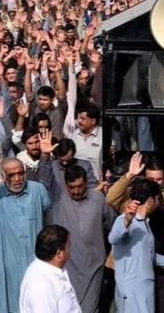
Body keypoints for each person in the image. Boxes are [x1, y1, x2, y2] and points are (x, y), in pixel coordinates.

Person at [39, 134, 115, 313]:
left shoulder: (98, 199)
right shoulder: (58, 197)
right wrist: (44, 156)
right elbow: (45, 178)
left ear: (86, 183)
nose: (76, 191)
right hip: (66, 266)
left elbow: (112, 227)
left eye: (80, 186)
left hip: (93, 265)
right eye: (71, 187)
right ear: (66, 186)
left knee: (89, 309)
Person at [0, 156, 51, 313]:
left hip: (33, 260)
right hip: (6, 262)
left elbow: (46, 205)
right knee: (7, 301)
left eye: (20, 173)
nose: (17, 178)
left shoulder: (37, 189)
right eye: (11, 175)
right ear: (3, 177)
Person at [108, 178, 164, 313]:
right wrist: (127, 220)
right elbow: (113, 238)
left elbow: (149, 255)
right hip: (131, 292)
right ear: (151, 200)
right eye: (158, 199)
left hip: (142, 290)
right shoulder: (125, 219)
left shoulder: (145, 224)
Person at [19, 225, 82, 313]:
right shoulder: (42, 288)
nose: (70, 248)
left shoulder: (50, 269)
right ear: (59, 253)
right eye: (69, 245)